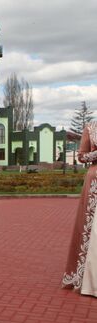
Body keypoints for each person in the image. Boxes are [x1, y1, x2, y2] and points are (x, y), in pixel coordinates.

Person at [62, 120, 97, 297]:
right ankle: (90, 281)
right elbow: (82, 156)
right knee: (92, 231)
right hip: (95, 184)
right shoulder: (91, 127)